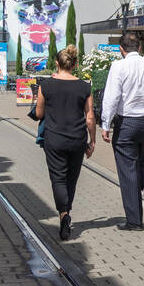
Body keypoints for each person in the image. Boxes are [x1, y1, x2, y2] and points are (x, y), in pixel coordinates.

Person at [100, 33, 144, 230]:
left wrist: (105, 124)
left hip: (127, 121)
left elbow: (111, 97)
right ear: (140, 47)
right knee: (142, 165)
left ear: (121, 49)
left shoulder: (119, 66)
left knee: (128, 172)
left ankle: (134, 221)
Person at [35, 45, 96, 241]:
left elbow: (38, 113)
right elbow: (90, 117)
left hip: (54, 139)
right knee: (71, 179)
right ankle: (66, 211)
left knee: (58, 179)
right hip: (77, 139)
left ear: (56, 63)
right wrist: (92, 140)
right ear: (75, 64)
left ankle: (63, 214)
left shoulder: (46, 85)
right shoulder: (84, 87)